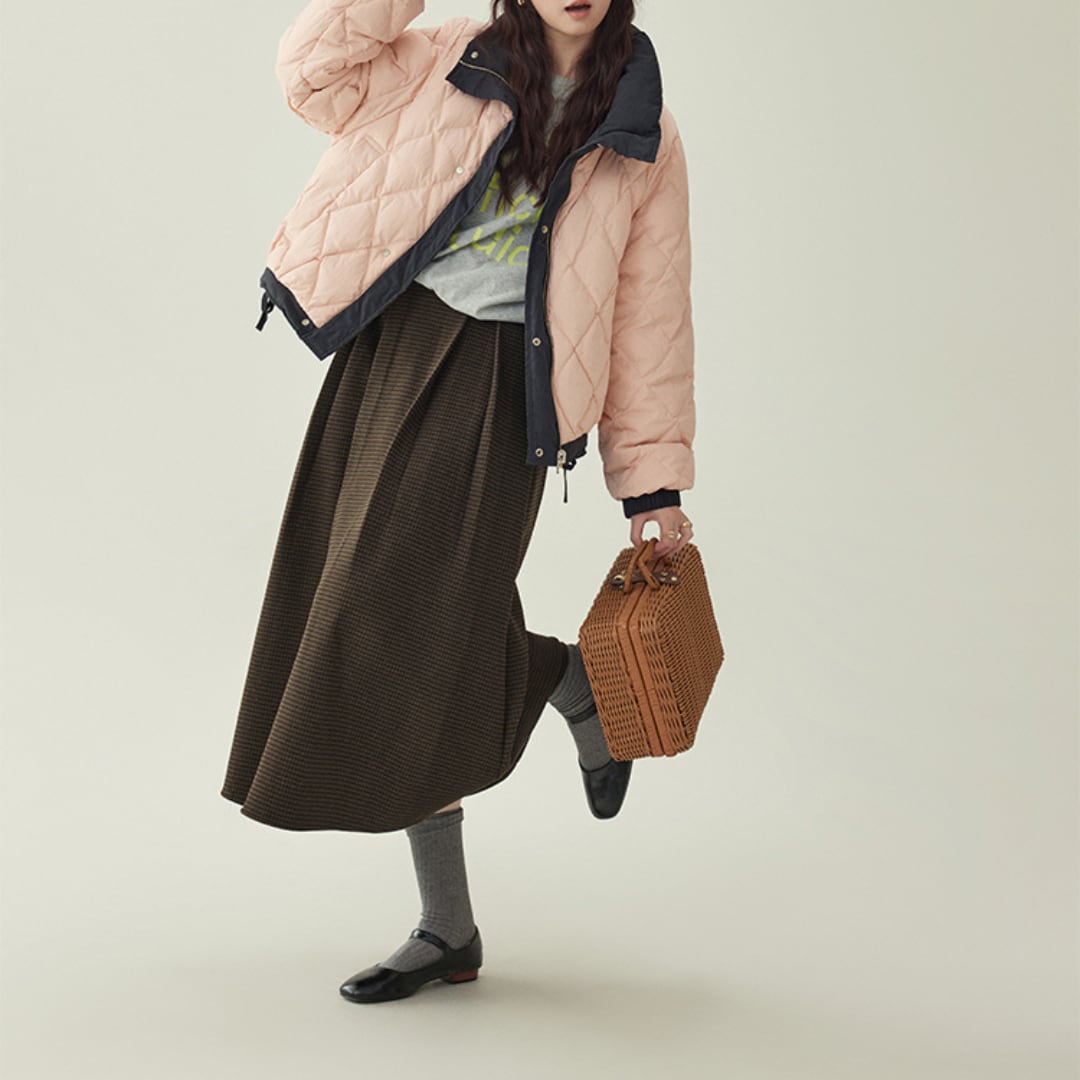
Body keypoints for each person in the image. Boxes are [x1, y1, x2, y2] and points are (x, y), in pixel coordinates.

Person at [220, 0, 697, 1003]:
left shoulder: (642, 128)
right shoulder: (438, 56)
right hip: (389, 345)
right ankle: (460, 906)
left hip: (506, 382)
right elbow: (311, 74)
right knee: (390, 620)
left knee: (403, 622)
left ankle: (552, 708)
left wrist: (652, 484)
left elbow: (651, 316)